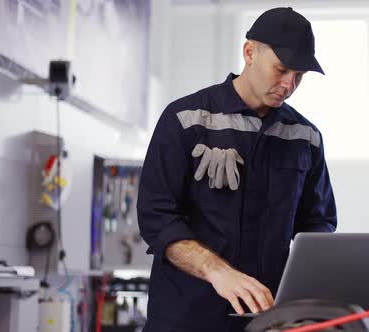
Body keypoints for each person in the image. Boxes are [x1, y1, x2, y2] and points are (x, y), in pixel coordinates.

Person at [137, 7, 337, 332]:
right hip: (185, 319)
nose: (289, 85)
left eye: (299, 76)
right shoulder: (186, 120)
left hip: (268, 320)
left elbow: (317, 223)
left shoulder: (305, 137)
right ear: (249, 53)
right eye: (281, 69)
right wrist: (219, 272)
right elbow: (158, 219)